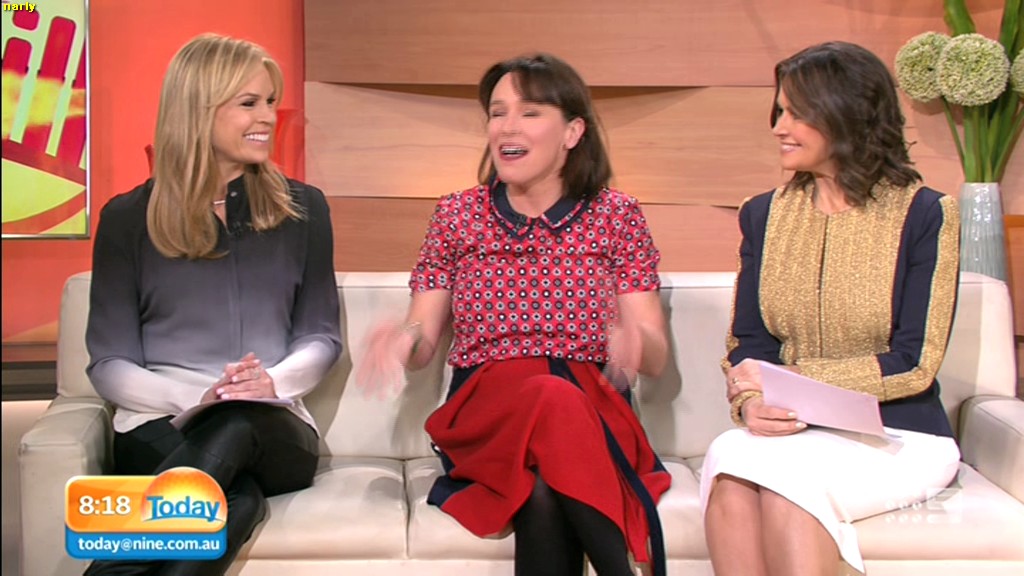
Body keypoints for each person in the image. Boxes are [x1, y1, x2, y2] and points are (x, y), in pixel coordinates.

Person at [359, 53, 671, 576]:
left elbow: (655, 357)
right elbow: (423, 339)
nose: (507, 126)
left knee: (544, 485)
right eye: (497, 112)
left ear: (572, 132)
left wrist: (637, 344)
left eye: (529, 112)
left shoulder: (616, 215)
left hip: (591, 410)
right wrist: (401, 341)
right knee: (548, 397)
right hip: (488, 413)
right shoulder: (457, 214)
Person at [700, 41, 961, 576]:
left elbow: (915, 362)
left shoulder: (925, 214)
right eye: (779, 111)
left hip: (899, 434)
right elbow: (749, 344)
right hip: (797, 432)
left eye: (796, 113)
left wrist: (793, 380)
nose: (779, 127)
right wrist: (751, 402)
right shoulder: (763, 215)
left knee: (788, 489)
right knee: (731, 472)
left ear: (846, 114)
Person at [83, 34, 341, 576]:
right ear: (197, 110)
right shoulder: (127, 219)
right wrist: (194, 398)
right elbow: (108, 362)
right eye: (248, 103)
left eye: (270, 101)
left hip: (271, 422)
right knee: (235, 501)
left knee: (237, 422)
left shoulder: (305, 209)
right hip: (160, 421)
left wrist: (271, 383)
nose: (267, 117)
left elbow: (320, 335)